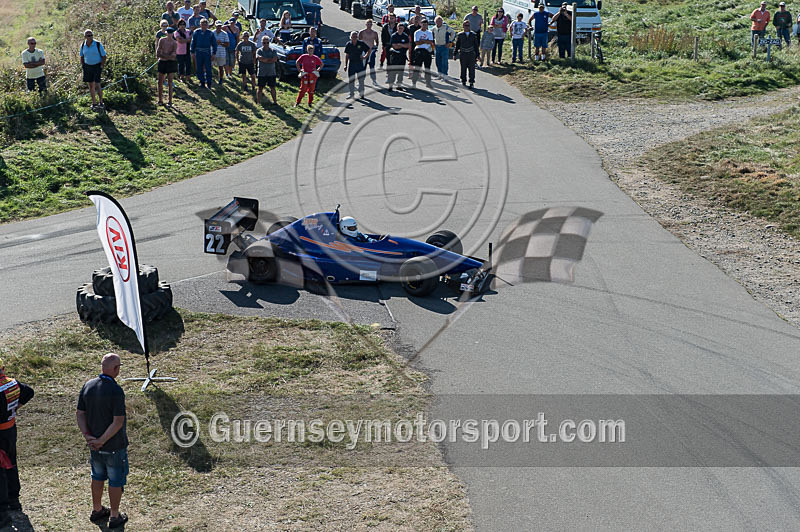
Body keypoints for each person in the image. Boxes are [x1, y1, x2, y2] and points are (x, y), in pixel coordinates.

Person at [77, 354, 128, 529]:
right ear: (115, 369)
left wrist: (88, 437)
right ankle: (114, 516)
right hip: (113, 447)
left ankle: (97, 510)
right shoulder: (116, 390)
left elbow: (80, 414)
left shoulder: (88, 385)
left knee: (97, 477)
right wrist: (102, 440)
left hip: (94, 447)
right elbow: (118, 421)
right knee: (115, 481)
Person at [0, 359, 34, 529]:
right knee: (11, 463)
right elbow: (29, 391)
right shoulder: (12, 384)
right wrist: (15, 409)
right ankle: (14, 500)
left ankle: (2, 509)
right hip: (10, 430)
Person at [80, 29, 106, 110]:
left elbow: (104, 56)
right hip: (87, 67)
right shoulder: (82, 45)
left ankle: (101, 102)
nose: (90, 37)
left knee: (97, 84)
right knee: (91, 85)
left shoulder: (97, 44)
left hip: (97, 66)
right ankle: (94, 103)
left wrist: (101, 66)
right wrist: (83, 65)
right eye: (88, 35)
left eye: (91, 35)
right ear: (85, 37)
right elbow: (81, 56)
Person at [191, 18, 217, 88]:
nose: (204, 26)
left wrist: (214, 53)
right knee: (199, 67)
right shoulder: (196, 32)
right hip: (198, 51)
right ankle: (202, 82)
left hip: (207, 52)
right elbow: (193, 42)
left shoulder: (210, 33)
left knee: (208, 68)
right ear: (200, 25)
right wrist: (192, 52)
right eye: (202, 24)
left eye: (205, 24)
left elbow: (214, 44)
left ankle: (209, 83)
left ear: (207, 25)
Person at [345, 31, 370, 99]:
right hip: (352, 64)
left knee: (361, 79)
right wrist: (345, 65)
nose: (354, 38)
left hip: (359, 63)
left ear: (358, 37)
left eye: (356, 37)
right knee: (351, 80)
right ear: (350, 37)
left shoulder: (361, 43)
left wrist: (365, 56)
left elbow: (369, 49)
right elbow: (347, 55)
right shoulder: (348, 44)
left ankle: (361, 93)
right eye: (353, 37)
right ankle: (351, 94)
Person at [156, 27, 178, 105]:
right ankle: (160, 100)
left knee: (170, 82)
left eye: (171, 33)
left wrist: (164, 55)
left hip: (170, 63)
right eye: (168, 32)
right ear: (166, 33)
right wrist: (166, 56)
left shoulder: (174, 43)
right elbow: (158, 53)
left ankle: (170, 101)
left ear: (173, 33)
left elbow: (173, 55)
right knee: (160, 82)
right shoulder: (162, 40)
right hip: (162, 62)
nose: (169, 34)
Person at [455, 20, 478, 88]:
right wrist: (455, 54)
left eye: (468, 25)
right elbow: (457, 45)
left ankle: (471, 82)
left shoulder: (473, 35)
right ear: (463, 26)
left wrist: (477, 55)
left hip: (471, 53)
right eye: (465, 25)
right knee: (463, 68)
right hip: (463, 53)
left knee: (471, 69)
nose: (466, 27)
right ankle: (463, 81)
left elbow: (476, 46)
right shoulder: (460, 35)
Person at [387, 22, 410, 90]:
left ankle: (399, 85)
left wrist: (400, 44)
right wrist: (402, 45)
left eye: (402, 28)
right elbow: (394, 46)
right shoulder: (394, 35)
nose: (400, 29)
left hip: (402, 56)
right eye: (399, 28)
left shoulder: (405, 36)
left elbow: (408, 45)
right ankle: (390, 85)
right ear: (397, 28)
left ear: (403, 29)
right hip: (394, 56)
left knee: (401, 72)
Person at [412, 18, 434, 87]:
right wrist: (425, 41)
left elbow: (430, 42)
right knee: (417, 67)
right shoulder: (417, 32)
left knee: (427, 68)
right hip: (419, 50)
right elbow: (417, 43)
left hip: (427, 51)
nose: (424, 26)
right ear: (421, 24)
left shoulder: (429, 32)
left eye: (426, 25)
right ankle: (414, 83)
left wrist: (423, 40)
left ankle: (428, 82)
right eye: (423, 24)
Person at [256, 35, 278, 105]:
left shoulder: (273, 50)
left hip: (271, 72)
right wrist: (269, 60)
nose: (266, 44)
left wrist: (265, 60)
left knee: (272, 87)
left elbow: (274, 59)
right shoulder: (259, 50)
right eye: (264, 43)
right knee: (260, 88)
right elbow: (260, 58)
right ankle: (258, 102)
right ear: (262, 43)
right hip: (262, 73)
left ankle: (275, 102)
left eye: (267, 42)